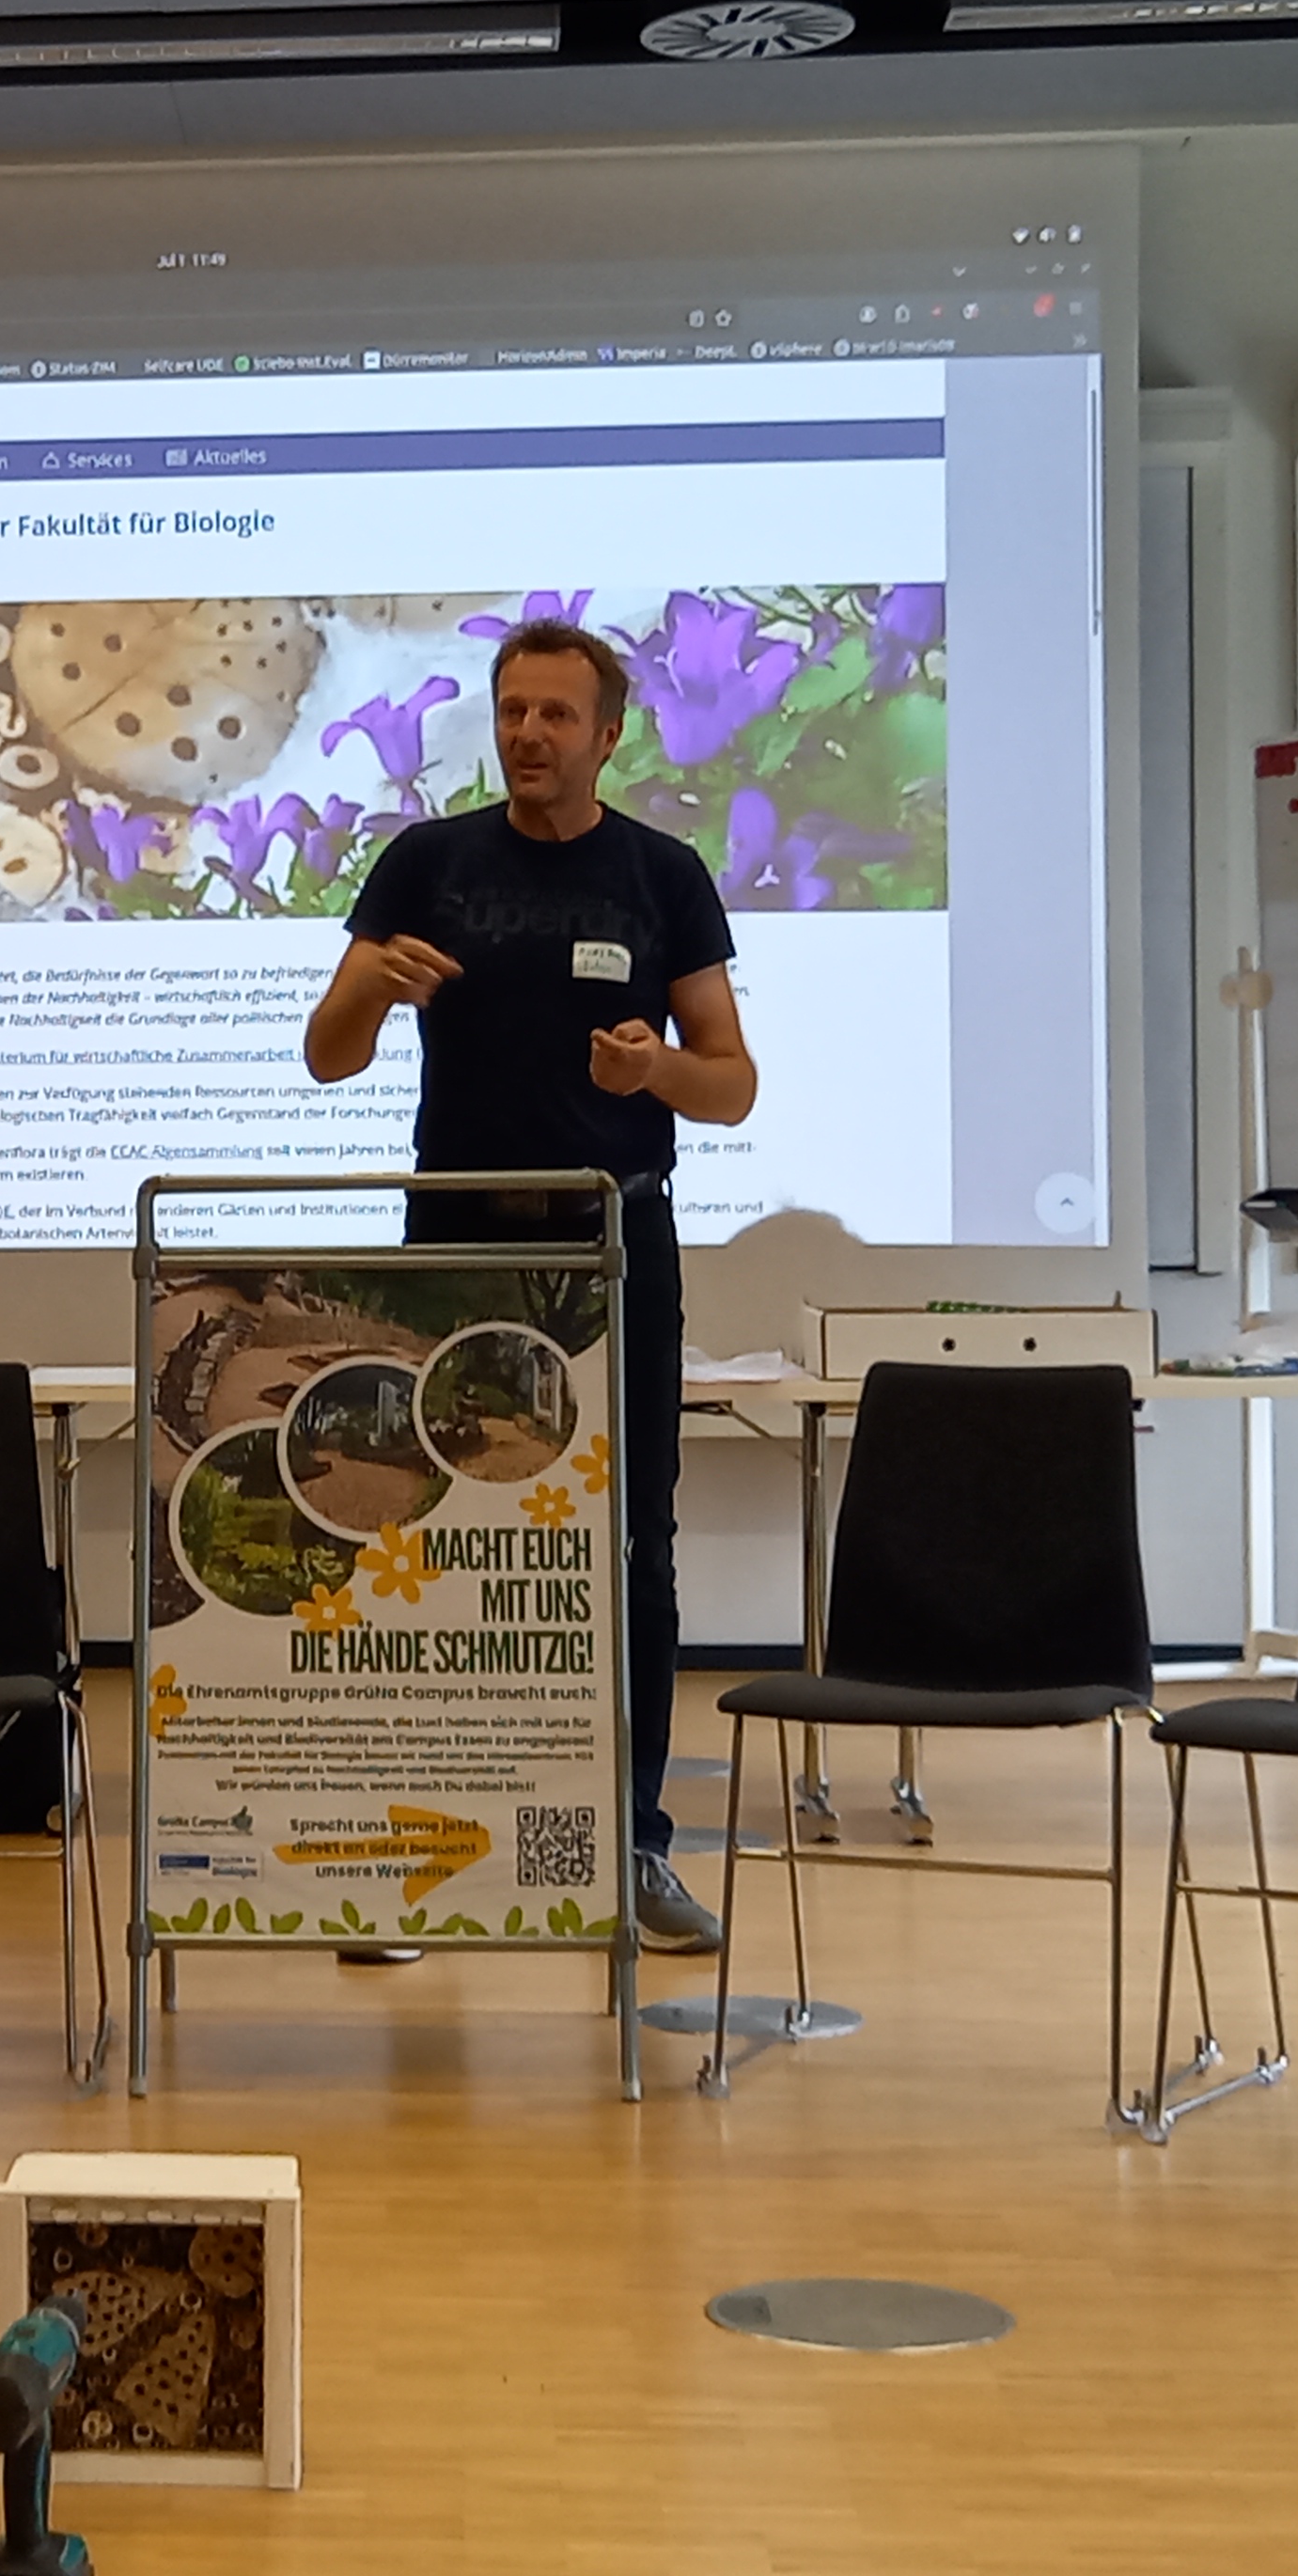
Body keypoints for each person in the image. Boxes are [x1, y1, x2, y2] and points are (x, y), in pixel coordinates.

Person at [303, 618, 757, 1953]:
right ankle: (417, 1860)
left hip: (614, 1247)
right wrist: (370, 989)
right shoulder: (426, 864)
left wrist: (655, 1072)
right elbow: (328, 1055)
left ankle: (634, 1846)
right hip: (456, 1249)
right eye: (512, 712)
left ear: (608, 735)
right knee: (424, 1543)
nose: (528, 736)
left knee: (634, 1549)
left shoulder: (661, 875)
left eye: (557, 715)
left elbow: (731, 1082)